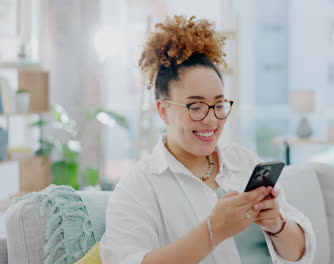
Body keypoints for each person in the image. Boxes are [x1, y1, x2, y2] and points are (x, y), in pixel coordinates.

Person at [100, 15, 316, 264]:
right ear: (163, 111)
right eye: (195, 106)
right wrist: (213, 231)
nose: (212, 121)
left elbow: (301, 252)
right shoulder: (139, 186)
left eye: (218, 104)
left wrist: (277, 224)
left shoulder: (243, 161)